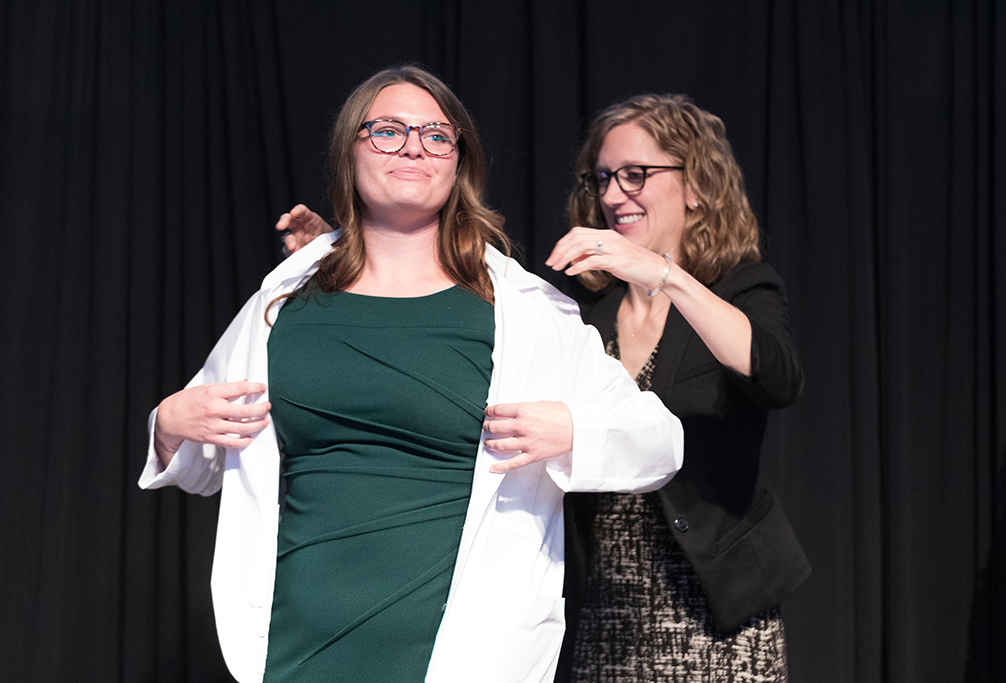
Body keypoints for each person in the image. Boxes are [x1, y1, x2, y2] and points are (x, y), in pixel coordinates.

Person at [139, 66, 683, 683]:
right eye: (388, 131)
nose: (413, 148)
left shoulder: (522, 308)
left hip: (462, 651)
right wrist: (168, 424)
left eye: (435, 134)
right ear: (350, 152)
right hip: (293, 645)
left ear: (459, 161)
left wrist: (573, 431)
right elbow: (210, 460)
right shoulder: (284, 299)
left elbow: (660, 441)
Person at [545, 94, 809, 682]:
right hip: (605, 604)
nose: (613, 196)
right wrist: (346, 259)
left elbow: (777, 375)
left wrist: (666, 275)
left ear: (695, 184)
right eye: (603, 178)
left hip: (717, 605)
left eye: (635, 175)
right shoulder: (587, 303)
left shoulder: (741, 287)